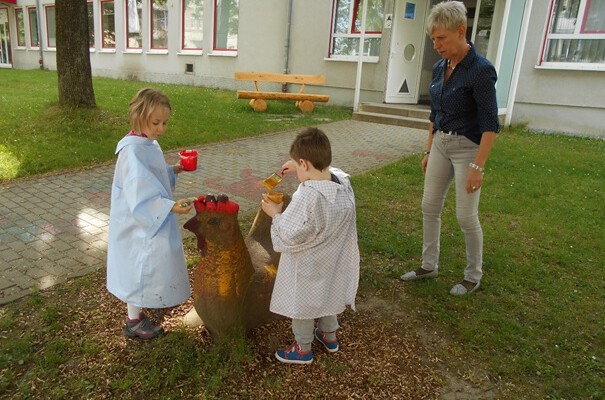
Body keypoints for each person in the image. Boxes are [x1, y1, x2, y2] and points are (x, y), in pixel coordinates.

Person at [399, 1, 499, 296]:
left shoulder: (481, 71)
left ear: (461, 31)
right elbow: (435, 115)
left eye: (441, 38)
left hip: (468, 148)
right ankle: (429, 265)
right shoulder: (440, 67)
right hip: (441, 143)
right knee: (429, 207)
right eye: (433, 38)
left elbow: (490, 124)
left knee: (466, 217)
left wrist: (478, 166)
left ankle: (473, 275)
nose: (436, 44)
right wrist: (429, 150)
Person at [261, 127, 360, 364]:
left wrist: (275, 214)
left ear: (305, 163)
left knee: (303, 303)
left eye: (298, 165)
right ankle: (329, 334)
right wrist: (298, 165)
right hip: (333, 258)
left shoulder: (307, 196)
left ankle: (303, 349)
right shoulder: (342, 183)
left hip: (308, 264)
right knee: (329, 293)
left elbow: (290, 234)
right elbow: (330, 171)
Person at [106, 88, 194, 339]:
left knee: (147, 262)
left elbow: (150, 176)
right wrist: (170, 206)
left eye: (165, 122)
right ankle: (133, 321)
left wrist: (173, 170)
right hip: (137, 221)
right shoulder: (132, 151)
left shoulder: (146, 143)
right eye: (156, 122)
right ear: (138, 117)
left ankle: (145, 303)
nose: (161, 128)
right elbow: (139, 190)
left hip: (144, 217)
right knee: (138, 266)